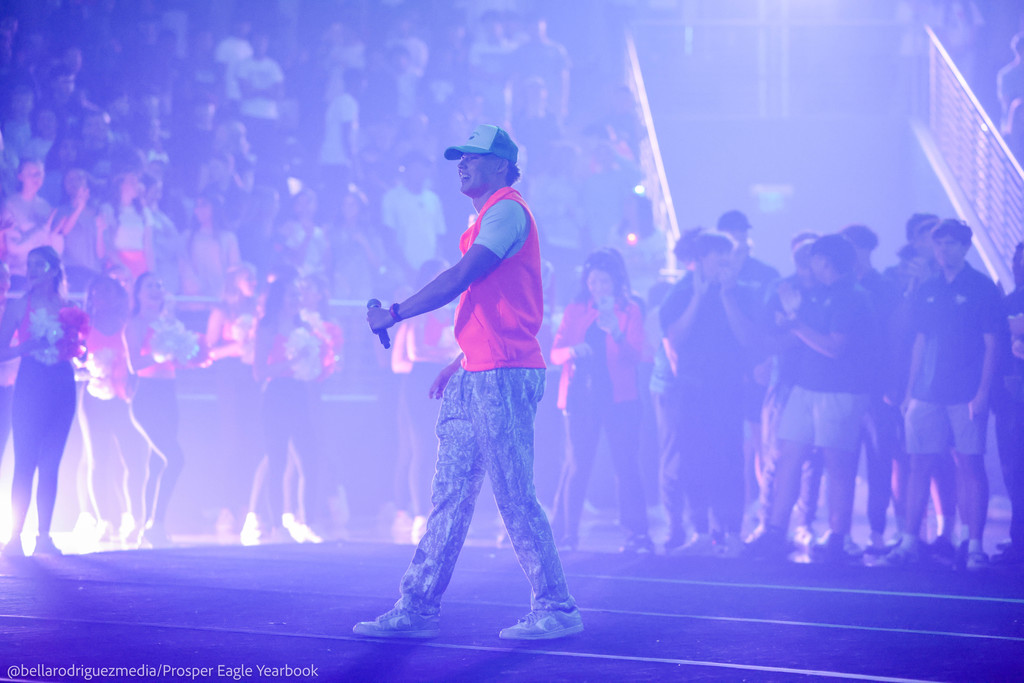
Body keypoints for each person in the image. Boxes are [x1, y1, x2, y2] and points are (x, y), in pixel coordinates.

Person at [357, 124, 581, 640]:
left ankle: (557, 606)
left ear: (501, 165)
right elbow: (489, 302)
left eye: (474, 157)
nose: (462, 164)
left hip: (503, 373)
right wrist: (462, 358)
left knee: (513, 493)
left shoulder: (506, 210)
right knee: (450, 494)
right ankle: (417, 606)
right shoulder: (487, 215)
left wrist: (395, 312)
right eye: (460, 158)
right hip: (480, 369)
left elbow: (462, 277)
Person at [745, 234, 877, 563]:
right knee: (789, 454)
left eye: (814, 258)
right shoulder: (818, 295)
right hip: (805, 388)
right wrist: (785, 328)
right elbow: (795, 339)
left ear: (826, 261)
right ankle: (775, 531)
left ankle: (838, 536)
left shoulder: (852, 296)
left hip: (840, 392)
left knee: (838, 465)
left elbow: (834, 346)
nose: (810, 265)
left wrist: (794, 323)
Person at [886, 219, 1003, 570]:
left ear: (966, 247)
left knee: (970, 465)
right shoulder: (927, 287)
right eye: (940, 244)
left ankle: (975, 544)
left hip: (965, 392)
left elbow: (991, 344)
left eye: (952, 244)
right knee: (918, 464)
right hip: (927, 392)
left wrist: (982, 393)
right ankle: (909, 541)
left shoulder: (981, 287)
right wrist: (909, 392)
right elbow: (919, 340)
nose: (944, 250)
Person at [656, 230, 757, 556]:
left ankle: (730, 532)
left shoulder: (740, 293)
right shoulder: (681, 292)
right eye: (719, 259)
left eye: (729, 259)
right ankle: (699, 531)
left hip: (729, 390)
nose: (726, 265)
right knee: (694, 461)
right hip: (691, 391)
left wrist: (726, 295)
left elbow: (747, 340)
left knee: (730, 461)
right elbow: (675, 338)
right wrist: (698, 298)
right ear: (700, 261)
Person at [549, 248, 653, 554]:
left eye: (604, 281)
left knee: (626, 464)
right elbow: (555, 353)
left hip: (620, 398)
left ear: (616, 281)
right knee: (577, 465)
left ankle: (637, 534)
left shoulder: (630, 310)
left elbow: (637, 356)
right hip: (580, 397)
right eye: (593, 281)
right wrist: (572, 351)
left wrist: (617, 332)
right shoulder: (575, 310)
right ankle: (566, 533)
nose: (598, 287)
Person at [0, 246, 88, 557]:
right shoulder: (19, 305)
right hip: (31, 383)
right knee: (24, 462)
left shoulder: (70, 307)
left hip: (62, 385)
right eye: (29, 265)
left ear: (53, 270)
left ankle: (44, 537)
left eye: (39, 264)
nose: (32, 270)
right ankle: (13, 538)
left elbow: (79, 349)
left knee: (51, 464)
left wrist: (80, 351)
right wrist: (29, 346)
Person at [124, 272, 196, 547]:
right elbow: (134, 364)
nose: (156, 289)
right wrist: (159, 354)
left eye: (160, 285)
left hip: (169, 395)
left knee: (156, 465)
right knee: (175, 458)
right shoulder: (137, 324)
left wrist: (185, 354)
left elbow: (178, 360)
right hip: (147, 397)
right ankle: (157, 524)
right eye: (150, 285)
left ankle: (150, 528)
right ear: (139, 293)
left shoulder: (171, 324)